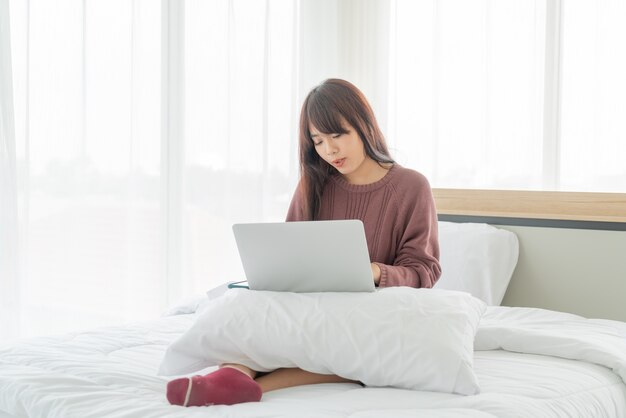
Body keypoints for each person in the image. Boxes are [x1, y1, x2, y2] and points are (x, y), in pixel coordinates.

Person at [166, 78, 442, 407]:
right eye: (318, 141)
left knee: (368, 342)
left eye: (338, 135)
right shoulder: (313, 184)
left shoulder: (412, 187)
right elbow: (288, 249)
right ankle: (235, 372)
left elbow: (424, 270)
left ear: (364, 125)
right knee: (241, 304)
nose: (330, 150)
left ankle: (251, 382)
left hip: (372, 308)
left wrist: (374, 272)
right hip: (310, 303)